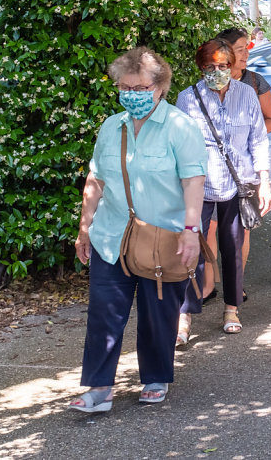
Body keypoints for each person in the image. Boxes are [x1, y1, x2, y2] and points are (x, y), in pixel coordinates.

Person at [70, 47, 207, 412]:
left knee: (157, 312)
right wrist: (85, 228)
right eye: (125, 87)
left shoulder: (180, 126)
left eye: (140, 87)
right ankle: (98, 389)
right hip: (112, 235)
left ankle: (155, 376)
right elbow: (96, 179)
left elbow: (194, 181)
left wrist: (191, 230)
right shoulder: (111, 126)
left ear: (159, 87)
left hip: (164, 237)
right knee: (104, 312)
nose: (131, 94)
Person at [175, 39, 271, 344]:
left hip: (236, 185)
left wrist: (264, 181)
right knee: (192, 250)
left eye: (222, 66)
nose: (216, 72)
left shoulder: (246, 95)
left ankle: (232, 308)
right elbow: (177, 145)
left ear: (232, 67)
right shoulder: (187, 99)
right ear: (200, 67)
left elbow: (258, 139)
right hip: (198, 186)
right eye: (209, 67)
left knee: (232, 249)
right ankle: (184, 315)